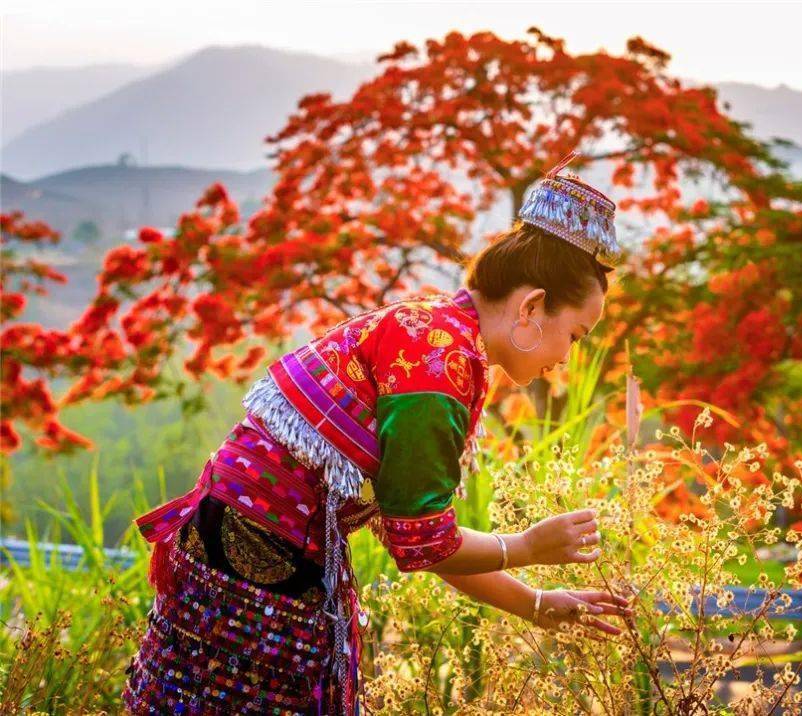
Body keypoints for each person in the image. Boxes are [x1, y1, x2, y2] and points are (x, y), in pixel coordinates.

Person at [122, 150, 631, 715]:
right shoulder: (441, 369)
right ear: (534, 306)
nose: (567, 358)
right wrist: (527, 549)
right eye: (576, 336)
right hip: (258, 576)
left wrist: (534, 604)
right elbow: (423, 543)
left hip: (231, 552)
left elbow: (416, 535)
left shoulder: (437, 333)